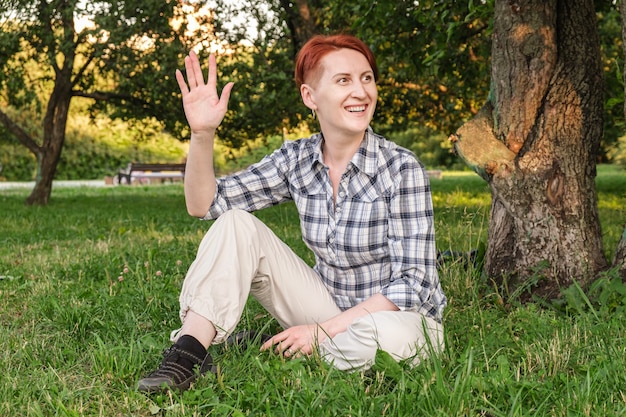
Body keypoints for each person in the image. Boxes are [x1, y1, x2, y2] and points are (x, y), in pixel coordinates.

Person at [137, 34, 447, 394]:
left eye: (367, 78)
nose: (361, 92)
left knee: (394, 341)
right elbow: (205, 204)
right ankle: (188, 354)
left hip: (398, 319)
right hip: (325, 306)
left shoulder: (400, 168)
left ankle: (294, 346)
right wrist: (202, 133)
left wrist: (320, 332)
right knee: (235, 223)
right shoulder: (296, 159)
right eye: (343, 80)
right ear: (309, 97)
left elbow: (414, 283)